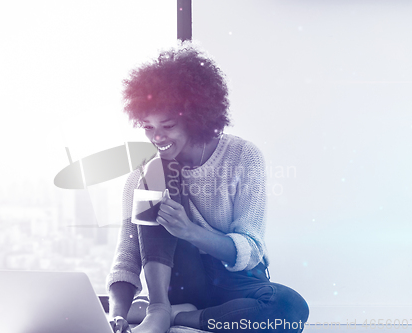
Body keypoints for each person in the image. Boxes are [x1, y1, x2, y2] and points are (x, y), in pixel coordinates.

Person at [106, 42, 309, 333]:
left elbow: (250, 250)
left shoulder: (242, 157)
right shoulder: (143, 174)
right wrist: (117, 314)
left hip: (234, 281)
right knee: (154, 176)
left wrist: (189, 230)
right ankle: (158, 308)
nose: (157, 137)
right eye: (148, 127)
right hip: (178, 281)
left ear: (195, 117)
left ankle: (176, 316)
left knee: (289, 308)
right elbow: (127, 255)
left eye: (168, 125)